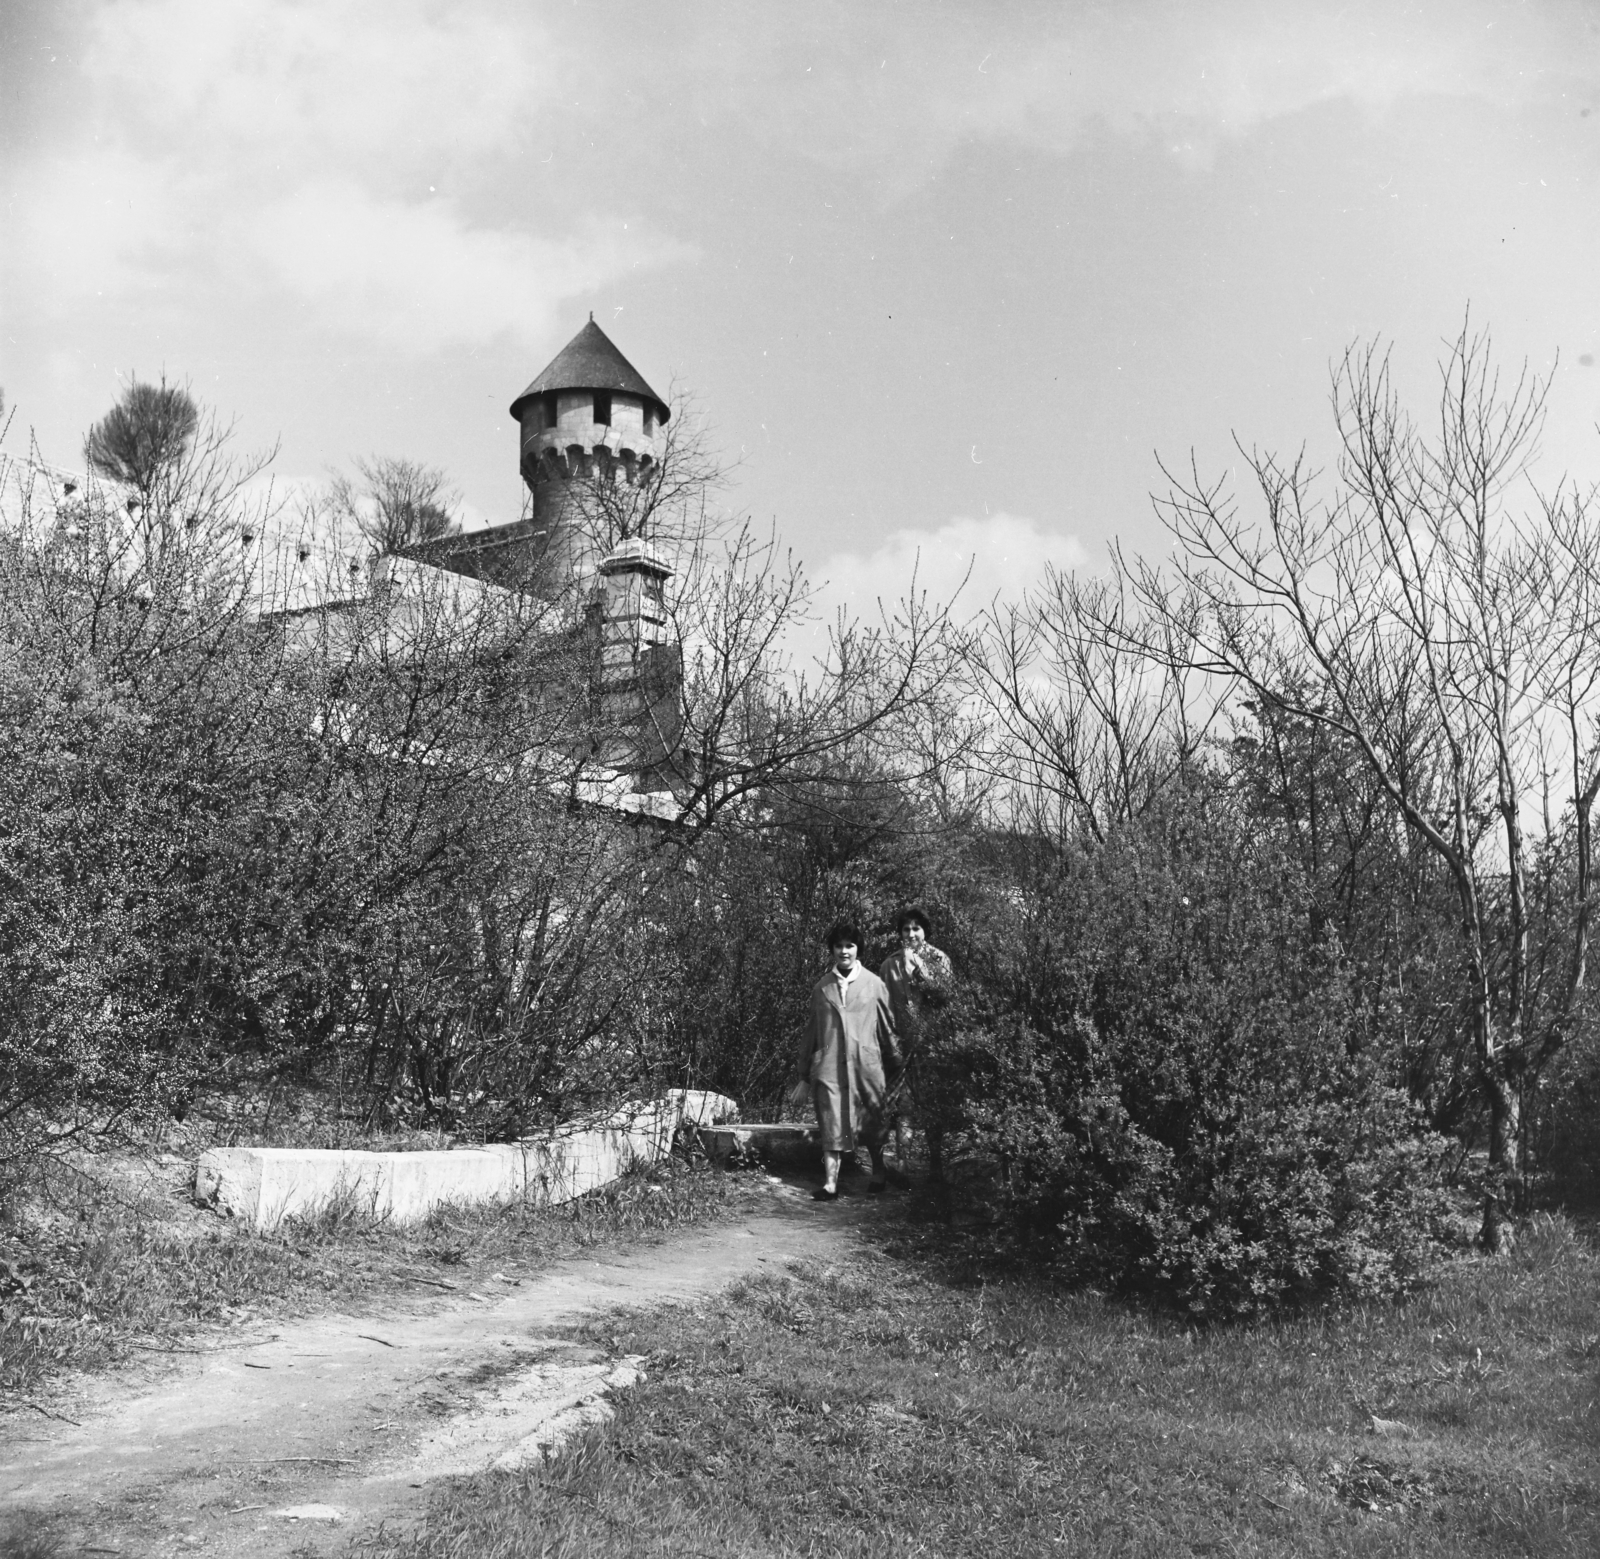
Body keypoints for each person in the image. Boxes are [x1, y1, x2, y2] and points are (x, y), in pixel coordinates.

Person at [796, 920, 901, 1200]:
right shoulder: (822, 988)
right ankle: (831, 1184)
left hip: (866, 1067)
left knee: (873, 1122)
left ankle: (878, 1171)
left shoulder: (874, 984)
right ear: (831, 950)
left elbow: (888, 1027)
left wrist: (897, 1063)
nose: (844, 951)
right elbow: (812, 1032)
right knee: (832, 1120)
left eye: (849, 946)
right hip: (829, 1066)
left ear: (858, 949)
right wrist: (804, 1075)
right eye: (839, 946)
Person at [878, 907, 953, 1172]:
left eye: (916, 928)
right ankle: (902, 1164)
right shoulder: (888, 965)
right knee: (904, 1105)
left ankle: (935, 1165)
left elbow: (945, 997)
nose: (911, 934)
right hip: (902, 1045)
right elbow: (883, 1008)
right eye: (906, 929)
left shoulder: (939, 958)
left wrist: (920, 969)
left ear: (925, 931)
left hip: (932, 1044)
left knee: (931, 1105)